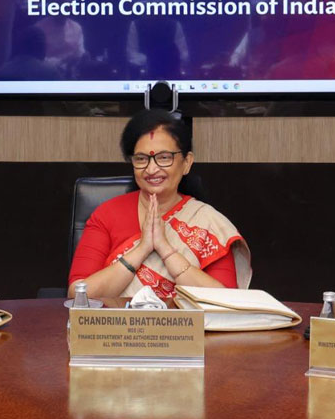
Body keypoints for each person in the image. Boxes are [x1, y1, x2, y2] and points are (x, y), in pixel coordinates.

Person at [68, 109, 251, 301]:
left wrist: (166, 250)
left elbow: (227, 302)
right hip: (119, 321)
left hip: (188, 322)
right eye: (141, 159)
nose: (151, 169)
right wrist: (142, 250)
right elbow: (78, 296)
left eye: (164, 157)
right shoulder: (108, 214)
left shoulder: (208, 223)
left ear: (186, 163)